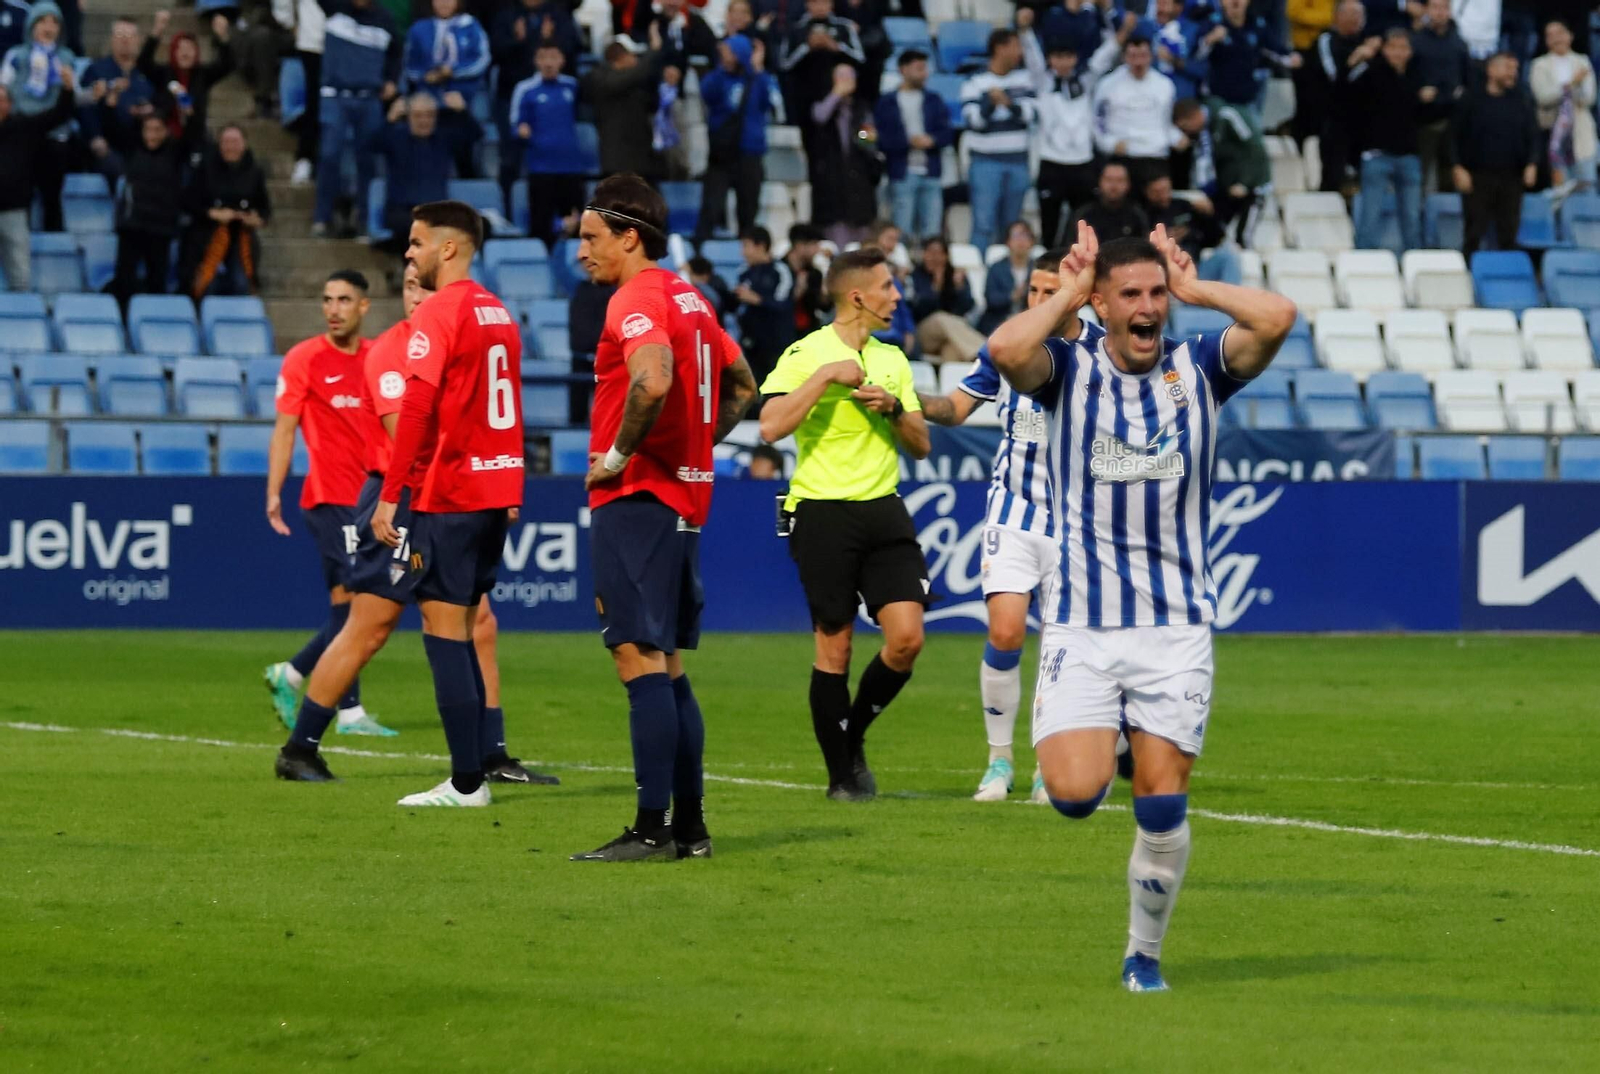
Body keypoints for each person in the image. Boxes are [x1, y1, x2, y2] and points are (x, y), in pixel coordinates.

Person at [987, 220, 1297, 992]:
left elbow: (1277, 318)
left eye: (1158, 293)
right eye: (1132, 294)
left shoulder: (1200, 367)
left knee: (1162, 802)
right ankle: (1111, 732)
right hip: (1083, 625)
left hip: (1175, 629)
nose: (1148, 307)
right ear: (1102, 303)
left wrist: (1196, 286)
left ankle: (1143, 956)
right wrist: (1063, 291)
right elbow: (1002, 352)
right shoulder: (1067, 368)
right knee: (1074, 795)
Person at [272, 264, 558, 786]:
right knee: (371, 627)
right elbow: (407, 433)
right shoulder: (391, 351)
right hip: (401, 497)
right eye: (409, 286)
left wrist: (489, 483)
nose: (418, 295)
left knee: (478, 624)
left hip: (453, 495)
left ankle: (490, 755)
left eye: (425, 285)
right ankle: (300, 746)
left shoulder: (455, 341)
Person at [571, 174, 758, 860]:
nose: (580, 251)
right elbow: (745, 385)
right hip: (683, 499)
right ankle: (691, 828)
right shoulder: (694, 298)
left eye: (591, 238)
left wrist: (621, 453)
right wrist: (696, 448)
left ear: (629, 236)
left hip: (638, 501)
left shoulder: (639, 296)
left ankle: (651, 829)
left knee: (636, 656)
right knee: (670, 666)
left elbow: (651, 380)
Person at [758, 247, 933, 801]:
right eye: (888, 286)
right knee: (835, 649)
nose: (897, 295)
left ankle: (851, 737)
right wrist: (826, 377)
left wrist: (894, 409)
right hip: (822, 512)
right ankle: (841, 778)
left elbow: (922, 446)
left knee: (906, 639)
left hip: (883, 506)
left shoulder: (894, 361)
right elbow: (769, 427)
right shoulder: (805, 352)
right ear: (858, 296)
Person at [368, 200, 526, 807]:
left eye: (415, 243)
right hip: (493, 492)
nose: (409, 254)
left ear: (448, 248)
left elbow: (417, 407)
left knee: (443, 628)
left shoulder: (440, 311)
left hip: (451, 492)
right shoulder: (498, 311)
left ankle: (466, 782)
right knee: (463, 623)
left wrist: (391, 494)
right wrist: (512, 485)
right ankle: (474, 770)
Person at [918, 249, 1079, 802]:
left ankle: (1049, 763)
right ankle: (998, 762)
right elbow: (955, 409)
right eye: (1032, 291)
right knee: (1006, 631)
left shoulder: (1104, 350)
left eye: (1049, 290)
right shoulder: (1005, 347)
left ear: (1076, 293)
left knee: (1063, 647)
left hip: (1077, 522)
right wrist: (902, 401)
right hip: (1012, 510)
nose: (1037, 301)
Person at [263, 271, 397, 741]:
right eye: (327, 300)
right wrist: (274, 490)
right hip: (330, 500)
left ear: (364, 306)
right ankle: (347, 709)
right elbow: (284, 428)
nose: (333, 308)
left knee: (350, 608)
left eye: (344, 300)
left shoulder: (379, 356)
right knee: (362, 608)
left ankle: (295, 676)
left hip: (368, 499)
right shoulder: (305, 359)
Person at [1019, 8, 1118, 247]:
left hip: (1082, 163)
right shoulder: (1043, 82)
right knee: (1049, 226)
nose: (1063, 62)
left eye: (1068, 56)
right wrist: (1024, 31)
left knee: (1083, 227)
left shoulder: (1085, 81)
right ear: (1050, 59)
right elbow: (1032, 57)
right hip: (1052, 162)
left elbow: (1103, 58)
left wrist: (1119, 36)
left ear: (1075, 58)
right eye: (1057, 57)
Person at [311, 0, 402, 238]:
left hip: (369, 98)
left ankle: (363, 218)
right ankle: (322, 217)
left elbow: (396, 53)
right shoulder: (335, 8)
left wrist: (392, 79)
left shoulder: (385, 18)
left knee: (368, 159)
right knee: (329, 155)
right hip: (335, 95)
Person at [490, 0, 581, 205]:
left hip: (552, 98)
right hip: (511, 92)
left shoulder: (558, 15)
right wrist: (519, 40)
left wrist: (549, 39)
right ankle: (508, 208)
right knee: (510, 158)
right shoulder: (506, 15)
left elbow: (571, 48)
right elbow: (496, 51)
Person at [0, 2, 81, 233]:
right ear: (31, 25)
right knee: (17, 187)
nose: (49, 27)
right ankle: (17, 235)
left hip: (54, 130)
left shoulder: (66, 58)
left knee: (52, 192)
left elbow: (75, 97)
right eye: (43, 21)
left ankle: (55, 239)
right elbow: (2, 90)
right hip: (21, 130)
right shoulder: (16, 56)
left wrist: (87, 93)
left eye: (54, 22)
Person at [696, 33, 782, 245]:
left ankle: (746, 251)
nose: (726, 56)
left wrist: (757, 69)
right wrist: (721, 69)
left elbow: (774, 101)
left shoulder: (759, 80)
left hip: (750, 151)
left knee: (748, 207)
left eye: (730, 52)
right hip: (722, 152)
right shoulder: (717, 78)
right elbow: (706, 93)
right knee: (711, 206)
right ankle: (700, 251)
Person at [1453, 51, 1539, 256]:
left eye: (1515, 70)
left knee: (1509, 235)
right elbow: (1454, 136)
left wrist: (1532, 163)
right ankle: (1470, 280)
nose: (1513, 74)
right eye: (1508, 68)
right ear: (1491, 70)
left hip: (1512, 177)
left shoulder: (1522, 99)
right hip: (1477, 177)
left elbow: (1533, 135)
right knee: (1474, 234)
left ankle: (1507, 283)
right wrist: (1457, 167)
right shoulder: (1471, 98)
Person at [960, 29, 1037, 252]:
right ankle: (977, 279)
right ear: (1000, 48)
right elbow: (972, 121)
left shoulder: (1025, 79)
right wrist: (990, 104)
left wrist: (1008, 103)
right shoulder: (975, 81)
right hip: (985, 163)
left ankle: (1008, 277)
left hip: (1017, 162)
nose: (1019, 53)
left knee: (1012, 226)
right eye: (1016, 46)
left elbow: (1032, 115)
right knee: (983, 224)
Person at [1350, 28, 1423, 251]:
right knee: (1370, 214)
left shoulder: (1416, 76)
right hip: (1377, 154)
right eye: (1394, 47)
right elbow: (1346, 89)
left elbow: (1422, 115)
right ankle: (1361, 261)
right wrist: (1357, 60)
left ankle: (1414, 263)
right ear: (1384, 49)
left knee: (1411, 216)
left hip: (1409, 155)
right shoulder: (1371, 72)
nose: (1399, 53)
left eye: (1404, 48)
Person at [0, 75, 75, 291]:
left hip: (14, 211)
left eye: (1, 99)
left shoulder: (23, 127)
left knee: (20, 276)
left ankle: (21, 321)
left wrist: (68, 89)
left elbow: (58, 115)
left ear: (10, 104)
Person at [874, 49, 953, 242]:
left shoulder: (934, 100)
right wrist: (906, 142)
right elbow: (873, 137)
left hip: (931, 171)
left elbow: (948, 133)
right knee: (902, 231)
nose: (924, 73)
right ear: (903, 70)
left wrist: (932, 140)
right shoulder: (887, 102)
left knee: (932, 232)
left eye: (925, 68)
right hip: (901, 172)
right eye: (918, 68)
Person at [511, 42, 583, 250]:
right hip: (541, 169)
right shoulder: (526, 89)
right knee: (541, 227)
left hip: (571, 168)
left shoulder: (572, 86)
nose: (549, 63)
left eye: (553, 57)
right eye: (544, 57)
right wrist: (521, 130)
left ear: (562, 60)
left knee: (577, 227)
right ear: (536, 61)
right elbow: (515, 124)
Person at [185, 125, 270, 299]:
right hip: (207, 236)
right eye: (226, 142)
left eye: (235, 142)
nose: (231, 147)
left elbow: (264, 209)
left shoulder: (255, 172)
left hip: (240, 237)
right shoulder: (205, 168)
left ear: (244, 144)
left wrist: (256, 219)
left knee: (241, 283)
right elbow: (188, 201)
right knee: (208, 284)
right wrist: (212, 213)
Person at [139, 10, 234, 164]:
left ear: (196, 53)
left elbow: (228, 64)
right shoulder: (164, 74)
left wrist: (222, 37)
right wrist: (157, 31)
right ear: (173, 52)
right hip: (167, 142)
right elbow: (143, 63)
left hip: (196, 140)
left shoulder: (202, 75)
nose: (185, 53)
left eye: (190, 48)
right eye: (180, 48)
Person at [110, 114, 183, 307]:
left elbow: (192, 136)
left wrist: (188, 115)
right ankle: (123, 324)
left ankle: (154, 325)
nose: (152, 135)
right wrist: (110, 106)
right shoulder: (132, 150)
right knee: (124, 279)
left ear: (166, 132)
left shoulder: (175, 155)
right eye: (148, 129)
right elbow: (113, 130)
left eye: (157, 130)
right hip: (132, 225)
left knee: (157, 281)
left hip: (161, 228)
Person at [1174, 96, 1269, 245]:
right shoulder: (1202, 132)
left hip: (1250, 187)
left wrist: (1244, 182)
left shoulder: (1228, 115)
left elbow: (1254, 148)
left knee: (1243, 237)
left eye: (1185, 127)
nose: (1185, 132)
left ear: (1195, 116)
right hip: (1225, 188)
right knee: (1213, 235)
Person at [1092, 35, 1180, 191]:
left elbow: (1166, 121)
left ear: (1151, 57)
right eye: (1133, 56)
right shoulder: (1108, 85)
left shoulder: (1165, 85)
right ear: (1124, 57)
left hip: (1155, 154)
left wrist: (1175, 137)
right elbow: (1097, 122)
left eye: (1143, 56)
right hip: (1123, 154)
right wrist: (1109, 144)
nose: (1138, 62)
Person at [808, 63, 878, 249]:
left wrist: (860, 133)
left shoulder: (861, 108)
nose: (846, 82)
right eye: (841, 78)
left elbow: (868, 141)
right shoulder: (822, 104)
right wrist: (836, 95)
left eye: (849, 78)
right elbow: (819, 117)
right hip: (832, 186)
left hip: (859, 185)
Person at [79, 15, 155, 183]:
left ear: (138, 41)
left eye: (130, 36)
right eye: (120, 35)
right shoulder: (96, 71)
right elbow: (85, 108)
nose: (125, 41)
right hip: (106, 145)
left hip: (139, 144)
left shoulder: (146, 75)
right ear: (112, 39)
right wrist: (95, 137)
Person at [1409, 0, 1471, 194]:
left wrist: (1461, 94)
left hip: (1453, 118)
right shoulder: (1416, 41)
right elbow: (1407, 78)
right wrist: (1417, 92)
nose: (1440, 12)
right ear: (1427, 10)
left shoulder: (1459, 43)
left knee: (1451, 174)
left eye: (1444, 7)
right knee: (1420, 173)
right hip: (1423, 118)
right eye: (1435, 7)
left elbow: (1468, 78)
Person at [1310, 0, 1370, 192]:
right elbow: (1333, 78)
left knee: (1363, 179)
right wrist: (1355, 61)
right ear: (1337, 16)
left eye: (1359, 15)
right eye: (1351, 13)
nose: (1356, 19)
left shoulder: (1367, 44)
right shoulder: (1326, 41)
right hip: (1334, 121)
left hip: (1363, 121)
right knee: (1332, 177)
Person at [584, 38, 664, 182]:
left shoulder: (636, 83)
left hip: (642, 160)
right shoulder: (599, 77)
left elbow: (652, 104)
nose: (636, 60)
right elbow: (628, 78)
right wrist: (653, 51)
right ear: (621, 56)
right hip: (616, 161)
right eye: (633, 55)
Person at [1530, 20, 1597, 190]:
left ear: (1570, 36)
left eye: (1559, 32)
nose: (1556, 38)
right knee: (1559, 192)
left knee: (1586, 188)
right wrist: (1571, 84)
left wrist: (1572, 87)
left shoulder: (1582, 61)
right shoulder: (1539, 65)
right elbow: (1543, 97)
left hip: (1581, 137)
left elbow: (1589, 98)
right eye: (1550, 35)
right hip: (1554, 139)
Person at [1199, 0, 1301, 109]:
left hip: (1246, 97)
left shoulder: (1256, 24)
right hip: (1217, 97)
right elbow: (1195, 54)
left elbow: (1276, 48)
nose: (1236, 2)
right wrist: (1209, 40)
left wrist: (1291, 58)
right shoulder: (1212, 22)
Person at [274, 0, 326, 186]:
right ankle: (305, 158)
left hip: (347, 41)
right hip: (312, 41)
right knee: (314, 102)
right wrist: (289, 22)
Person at [909, 236, 982, 366]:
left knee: (952, 350)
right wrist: (935, 288)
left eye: (939, 253)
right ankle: (986, 351)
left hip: (952, 335)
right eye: (930, 252)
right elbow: (918, 309)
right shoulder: (915, 275)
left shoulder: (955, 276)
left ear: (946, 256)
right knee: (940, 318)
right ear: (924, 254)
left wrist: (959, 289)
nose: (934, 257)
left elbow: (967, 308)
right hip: (923, 334)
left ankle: (953, 385)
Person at [734, 225, 793, 385]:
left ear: (760, 246)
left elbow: (784, 305)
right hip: (750, 344)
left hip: (775, 344)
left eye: (746, 246)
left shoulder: (780, 271)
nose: (742, 252)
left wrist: (757, 299)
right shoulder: (744, 272)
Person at [1069, 161, 1150, 243]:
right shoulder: (1084, 214)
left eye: (1120, 180)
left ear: (1128, 184)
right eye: (1108, 179)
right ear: (1099, 182)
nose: (1114, 186)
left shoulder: (1137, 215)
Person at [980, 220, 1038, 334]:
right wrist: (1012, 296)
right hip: (997, 324)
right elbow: (990, 299)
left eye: (1025, 236)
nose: (1021, 240)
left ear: (1032, 242)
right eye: (1016, 236)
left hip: (1029, 325)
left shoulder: (1039, 269)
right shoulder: (996, 268)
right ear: (1007, 242)